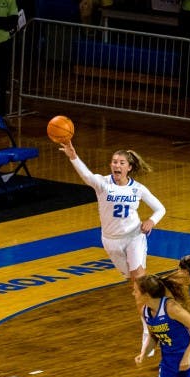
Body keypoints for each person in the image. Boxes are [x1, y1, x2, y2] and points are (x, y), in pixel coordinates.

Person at [59, 139, 166, 357]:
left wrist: (151, 221)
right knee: (134, 288)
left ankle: (150, 333)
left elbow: (160, 208)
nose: (116, 165)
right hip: (110, 241)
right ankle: (153, 321)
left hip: (134, 237)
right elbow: (86, 176)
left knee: (140, 284)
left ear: (129, 167)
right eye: (114, 162)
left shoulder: (138, 189)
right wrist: (73, 155)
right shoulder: (102, 183)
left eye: (121, 162)